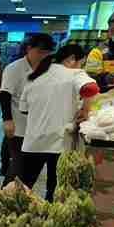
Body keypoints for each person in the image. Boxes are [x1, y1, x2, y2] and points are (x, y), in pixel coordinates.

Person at [19, 44, 99, 201]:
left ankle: (18, 216)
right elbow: (91, 88)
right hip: (60, 142)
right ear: (71, 59)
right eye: (81, 62)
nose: (80, 66)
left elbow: (24, 109)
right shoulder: (74, 73)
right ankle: (50, 218)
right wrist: (85, 109)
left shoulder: (35, 76)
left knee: (23, 186)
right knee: (55, 189)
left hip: (33, 141)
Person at [0, 33, 55, 185]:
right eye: (40, 52)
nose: (43, 56)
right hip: (18, 125)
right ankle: (7, 196)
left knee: (33, 166)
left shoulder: (49, 69)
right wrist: (7, 120)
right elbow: (5, 95)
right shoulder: (14, 68)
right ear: (29, 49)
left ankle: (24, 196)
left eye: (47, 53)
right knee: (19, 164)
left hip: (40, 126)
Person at [87, 9, 114, 91]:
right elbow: (88, 80)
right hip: (108, 100)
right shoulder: (98, 52)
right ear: (109, 31)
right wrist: (104, 79)